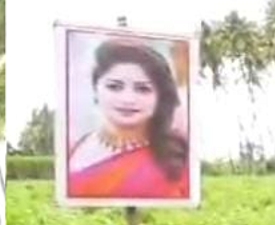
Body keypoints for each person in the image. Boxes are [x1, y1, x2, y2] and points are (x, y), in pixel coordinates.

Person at [68, 39, 190, 199]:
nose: (128, 99)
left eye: (143, 89)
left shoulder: (177, 159)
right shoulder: (75, 149)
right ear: (96, 89)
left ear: (160, 97)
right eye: (114, 87)